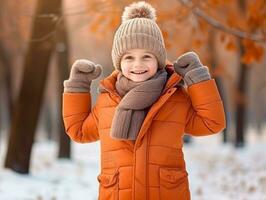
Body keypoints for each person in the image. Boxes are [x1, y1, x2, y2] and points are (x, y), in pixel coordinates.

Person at [62, 1, 226, 200]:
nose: (137, 64)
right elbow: (78, 131)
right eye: (129, 57)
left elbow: (213, 123)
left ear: (158, 59)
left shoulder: (173, 98)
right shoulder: (108, 100)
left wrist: (198, 78)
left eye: (146, 56)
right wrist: (77, 86)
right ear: (119, 62)